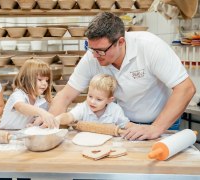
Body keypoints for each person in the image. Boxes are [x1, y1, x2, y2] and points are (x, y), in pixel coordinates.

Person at [48, 12, 196, 141]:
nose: (94, 55)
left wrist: (156, 128)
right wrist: (50, 127)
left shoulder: (150, 47)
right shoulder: (92, 56)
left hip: (163, 121)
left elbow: (186, 88)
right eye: (90, 48)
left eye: (100, 50)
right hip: (126, 123)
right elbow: (65, 96)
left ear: (121, 42)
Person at [55, 74, 134, 129]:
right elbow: (69, 116)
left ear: (110, 100)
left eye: (99, 99)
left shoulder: (115, 110)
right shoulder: (83, 107)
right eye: (90, 96)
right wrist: (57, 119)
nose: (92, 102)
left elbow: (126, 125)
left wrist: (139, 128)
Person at [0, 59, 56, 130]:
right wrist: (42, 112)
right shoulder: (18, 94)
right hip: (4, 133)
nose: (44, 83)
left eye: (46, 80)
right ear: (27, 79)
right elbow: (21, 107)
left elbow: (36, 120)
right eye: (40, 79)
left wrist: (34, 125)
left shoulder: (40, 100)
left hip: (21, 135)